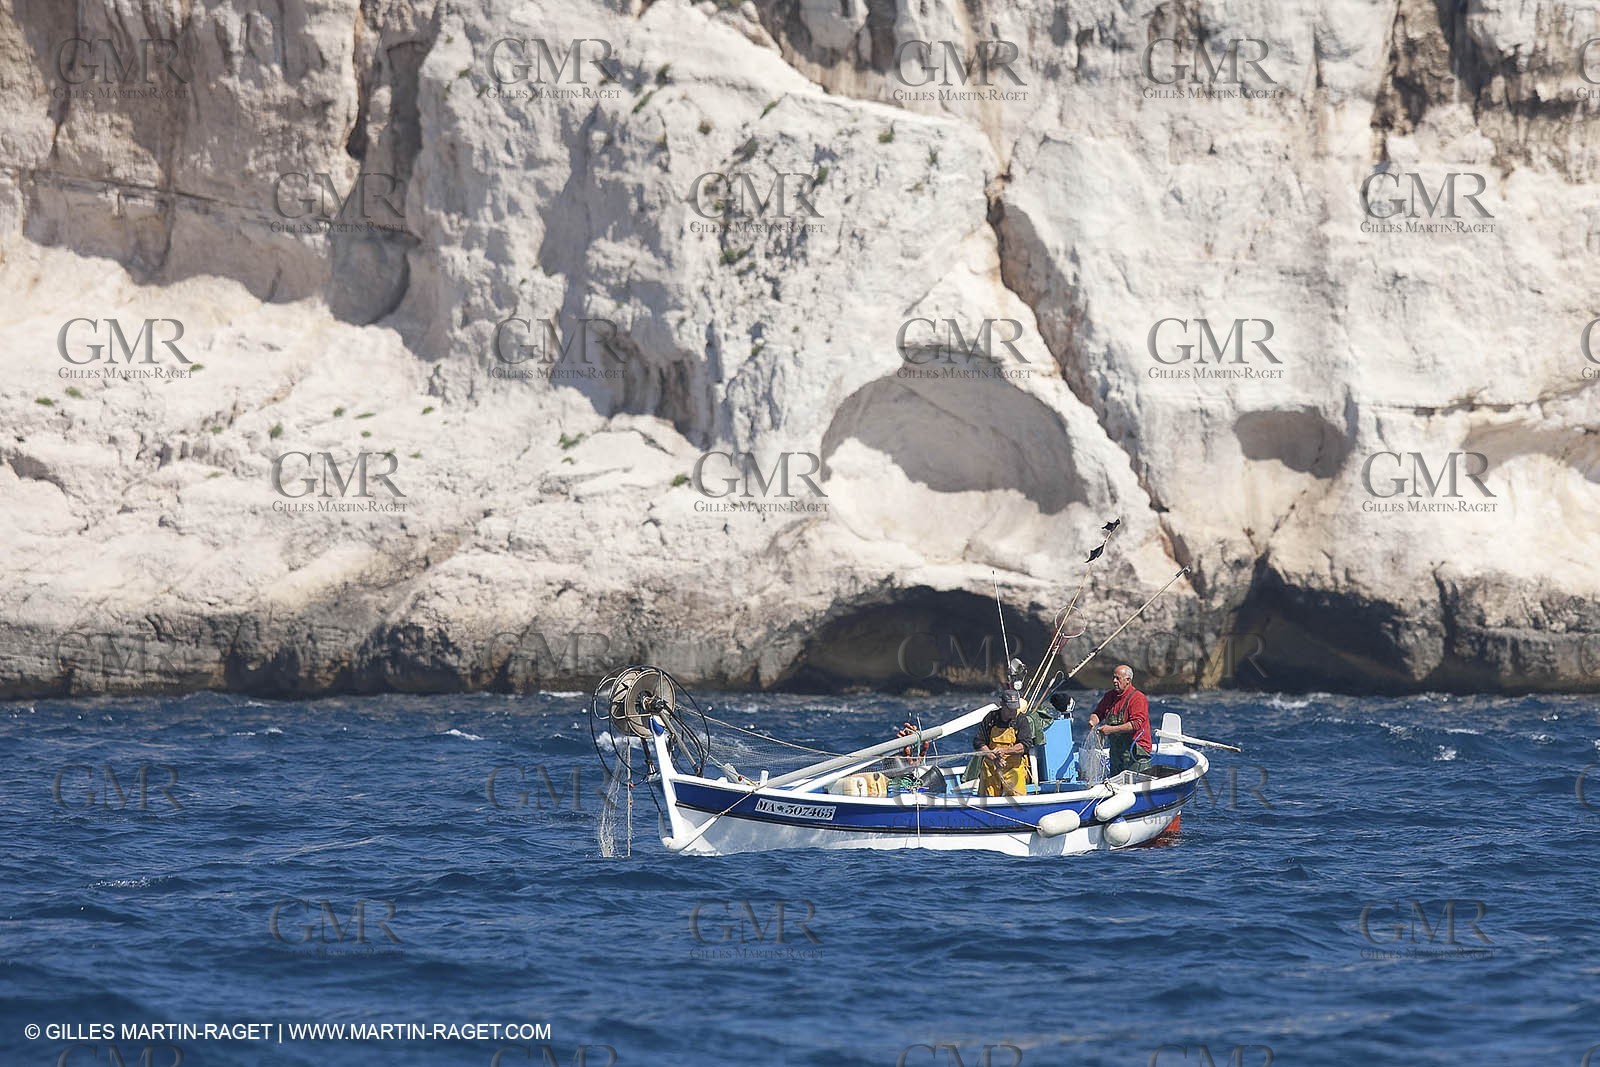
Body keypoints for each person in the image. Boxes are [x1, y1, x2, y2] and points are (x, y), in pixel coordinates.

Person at [1088, 664, 1152, 776]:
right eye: (1113, 678)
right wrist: (1092, 721)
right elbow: (1098, 713)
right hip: (1117, 753)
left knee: (1136, 783)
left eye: (1118, 678)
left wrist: (1111, 730)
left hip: (1136, 753)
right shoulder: (1109, 696)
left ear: (1128, 680)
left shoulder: (1138, 698)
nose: (1114, 681)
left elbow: (1135, 724)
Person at [973, 683, 1034, 797]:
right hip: (991, 766)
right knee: (988, 797)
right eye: (1010, 709)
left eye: (1015, 708)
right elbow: (979, 742)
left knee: (1017, 797)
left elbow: (1025, 744)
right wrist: (993, 757)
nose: (1013, 712)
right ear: (1002, 704)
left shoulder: (1021, 720)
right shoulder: (991, 718)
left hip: (1013, 767)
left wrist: (1004, 751)